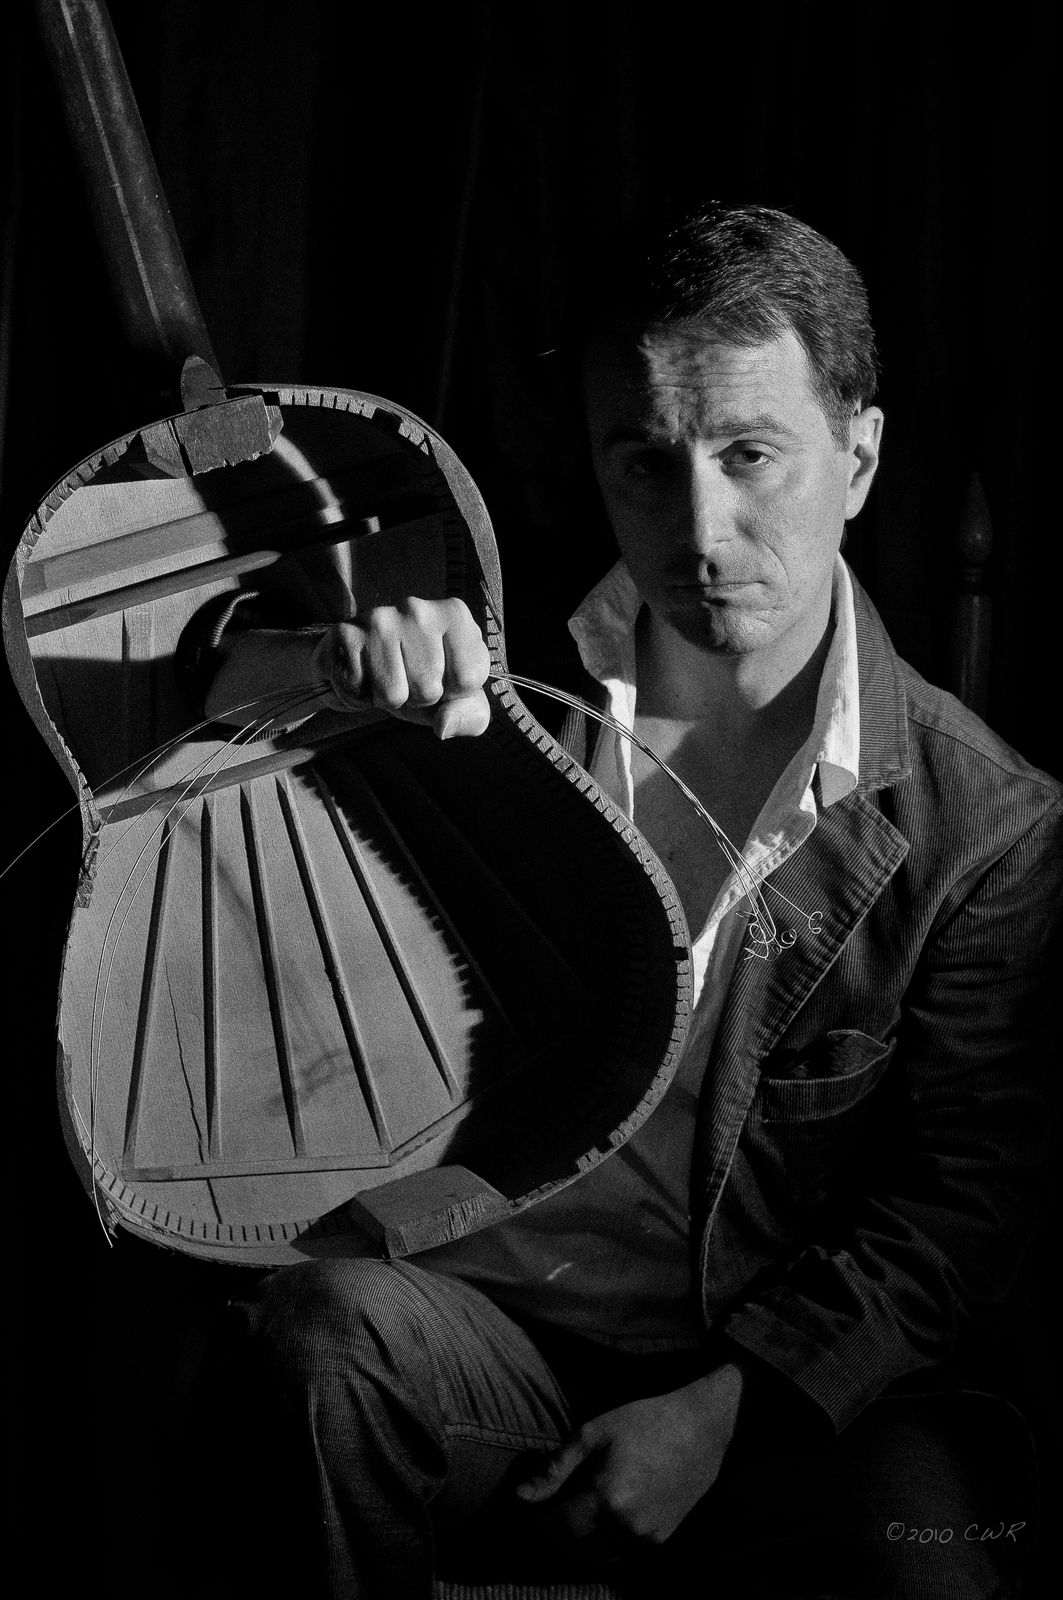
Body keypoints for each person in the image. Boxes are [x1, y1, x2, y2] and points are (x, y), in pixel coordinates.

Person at [190, 204, 1061, 1599]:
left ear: (859, 458)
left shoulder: (983, 822)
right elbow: (196, 697)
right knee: (317, 1340)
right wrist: (327, 667)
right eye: (646, 463)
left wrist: (726, 1412)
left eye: (751, 456)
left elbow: (956, 1215)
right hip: (470, 1319)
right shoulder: (502, 661)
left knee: (933, 1556)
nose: (698, 531)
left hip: (756, 1372)